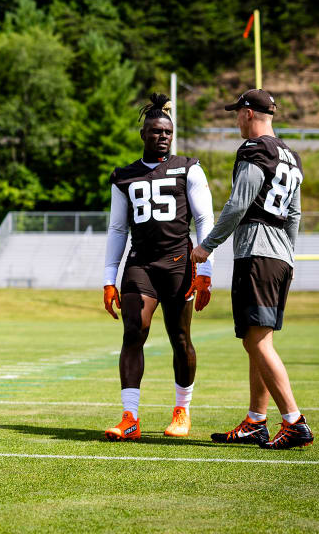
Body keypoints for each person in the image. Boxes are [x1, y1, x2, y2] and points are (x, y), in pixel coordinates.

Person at [192, 88, 313, 450]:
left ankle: (293, 420)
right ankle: (256, 421)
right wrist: (288, 256)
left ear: (248, 113)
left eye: (237, 113)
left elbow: (238, 204)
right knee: (258, 340)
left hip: (257, 252)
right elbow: (294, 214)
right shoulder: (292, 156)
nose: (235, 120)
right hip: (279, 253)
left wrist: (206, 246)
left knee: (255, 339)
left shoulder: (254, 149)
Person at [101, 93, 214, 441]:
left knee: (180, 337)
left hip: (179, 263)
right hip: (141, 263)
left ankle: (182, 410)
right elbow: (118, 228)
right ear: (143, 134)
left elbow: (204, 219)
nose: (162, 136)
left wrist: (206, 273)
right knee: (134, 331)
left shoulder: (188, 167)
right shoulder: (124, 176)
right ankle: (129, 417)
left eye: (167, 131)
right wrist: (109, 279)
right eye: (155, 131)